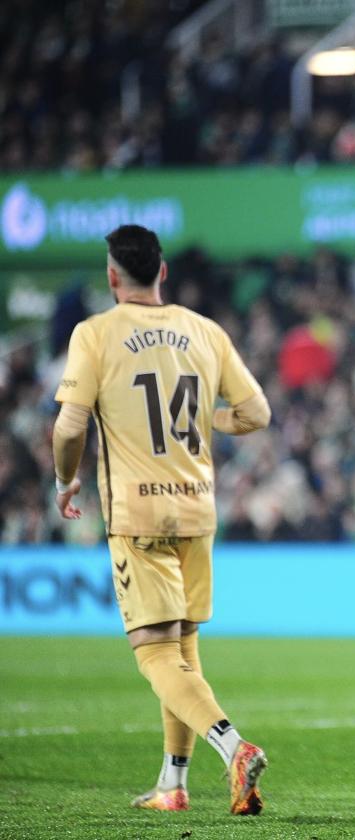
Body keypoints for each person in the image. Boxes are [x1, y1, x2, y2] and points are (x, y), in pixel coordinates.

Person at [52, 225, 273, 815]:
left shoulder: (95, 333)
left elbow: (70, 426)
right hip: (197, 508)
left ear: (112, 276)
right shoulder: (204, 331)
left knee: (153, 653)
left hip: (138, 509)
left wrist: (63, 479)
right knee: (183, 647)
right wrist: (207, 422)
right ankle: (173, 783)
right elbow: (256, 412)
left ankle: (233, 746)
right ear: (163, 272)